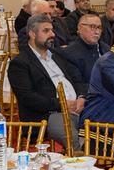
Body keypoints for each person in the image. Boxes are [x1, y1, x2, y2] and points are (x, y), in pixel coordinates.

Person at [9, 13, 85, 150]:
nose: (52, 34)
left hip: (77, 107)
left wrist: (81, 97)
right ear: (32, 34)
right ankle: (80, 160)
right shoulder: (20, 63)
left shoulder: (58, 55)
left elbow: (77, 80)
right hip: (48, 115)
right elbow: (28, 98)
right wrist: (61, 104)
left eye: (52, 30)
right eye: (46, 31)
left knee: (104, 121)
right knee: (71, 136)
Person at [58, 11, 105, 86]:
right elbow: (78, 85)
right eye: (92, 27)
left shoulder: (106, 48)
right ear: (80, 28)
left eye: (99, 27)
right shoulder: (69, 54)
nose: (97, 32)